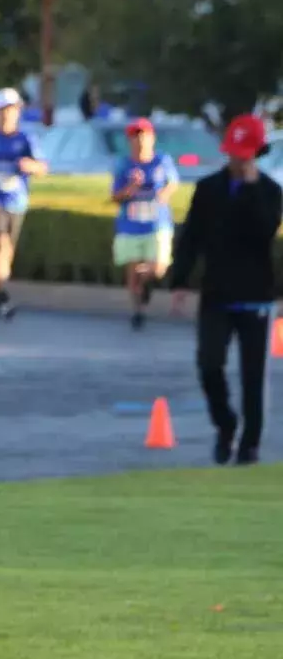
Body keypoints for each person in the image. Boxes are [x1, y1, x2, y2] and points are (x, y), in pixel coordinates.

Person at [169, 114, 282, 466]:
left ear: (257, 154)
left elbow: (263, 232)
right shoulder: (208, 190)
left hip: (256, 294)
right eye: (235, 154)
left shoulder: (270, 192)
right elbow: (191, 238)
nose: (239, 161)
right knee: (209, 364)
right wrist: (180, 280)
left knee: (253, 377)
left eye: (246, 155)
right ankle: (225, 423)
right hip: (217, 293)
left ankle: (249, 445)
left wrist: (249, 189)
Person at [0, 88, 48, 319]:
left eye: (11, 110)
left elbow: (42, 167)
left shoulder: (26, 139)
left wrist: (29, 166)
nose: (6, 116)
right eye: (1, 111)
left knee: (7, 252)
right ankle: (0, 293)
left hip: (16, 201)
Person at [111, 118, 179, 330]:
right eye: (135, 136)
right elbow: (115, 196)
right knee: (132, 270)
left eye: (144, 136)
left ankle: (146, 278)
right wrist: (130, 188)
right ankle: (138, 311)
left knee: (159, 267)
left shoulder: (161, 161)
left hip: (157, 224)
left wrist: (163, 194)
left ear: (152, 138)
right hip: (131, 225)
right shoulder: (124, 164)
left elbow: (173, 183)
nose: (140, 140)